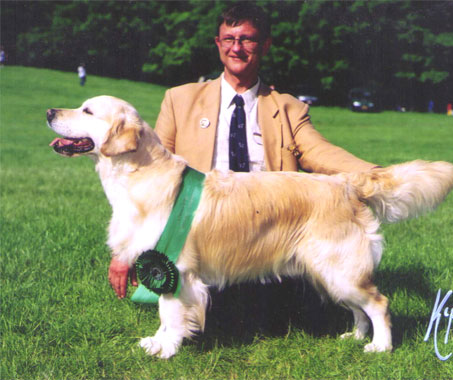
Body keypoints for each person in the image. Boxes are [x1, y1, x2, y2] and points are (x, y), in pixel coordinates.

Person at [108, 3, 378, 299]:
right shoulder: (179, 100)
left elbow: (321, 152)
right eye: (229, 39)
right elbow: (147, 176)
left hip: (268, 240)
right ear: (218, 44)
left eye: (247, 39)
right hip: (201, 242)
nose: (237, 48)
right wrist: (125, 251)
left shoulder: (289, 108)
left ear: (265, 45)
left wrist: (374, 176)